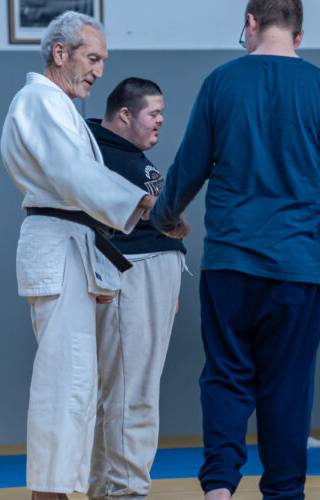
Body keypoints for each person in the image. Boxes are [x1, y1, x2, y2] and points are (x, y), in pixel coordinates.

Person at [150, 1, 320, 498]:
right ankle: (283, 493)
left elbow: (188, 167)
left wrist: (162, 219)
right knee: (287, 388)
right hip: (298, 270)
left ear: (250, 23)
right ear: (299, 35)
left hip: (229, 264)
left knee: (226, 377)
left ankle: (218, 489)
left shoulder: (220, 82)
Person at [0, 12, 156, 500]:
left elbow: (77, 189)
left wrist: (100, 270)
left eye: (103, 60)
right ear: (59, 52)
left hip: (71, 244)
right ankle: (49, 494)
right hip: (57, 244)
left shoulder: (58, 106)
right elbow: (73, 176)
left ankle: (58, 491)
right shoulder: (39, 101)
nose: (99, 71)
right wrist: (142, 203)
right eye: (92, 58)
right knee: (63, 382)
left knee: (78, 383)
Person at [85, 78, 187, 499]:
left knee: (124, 390)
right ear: (124, 115)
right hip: (131, 272)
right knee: (132, 391)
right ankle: (125, 490)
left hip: (152, 275)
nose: (161, 121)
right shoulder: (97, 151)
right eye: (154, 113)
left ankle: (106, 488)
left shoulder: (128, 154)